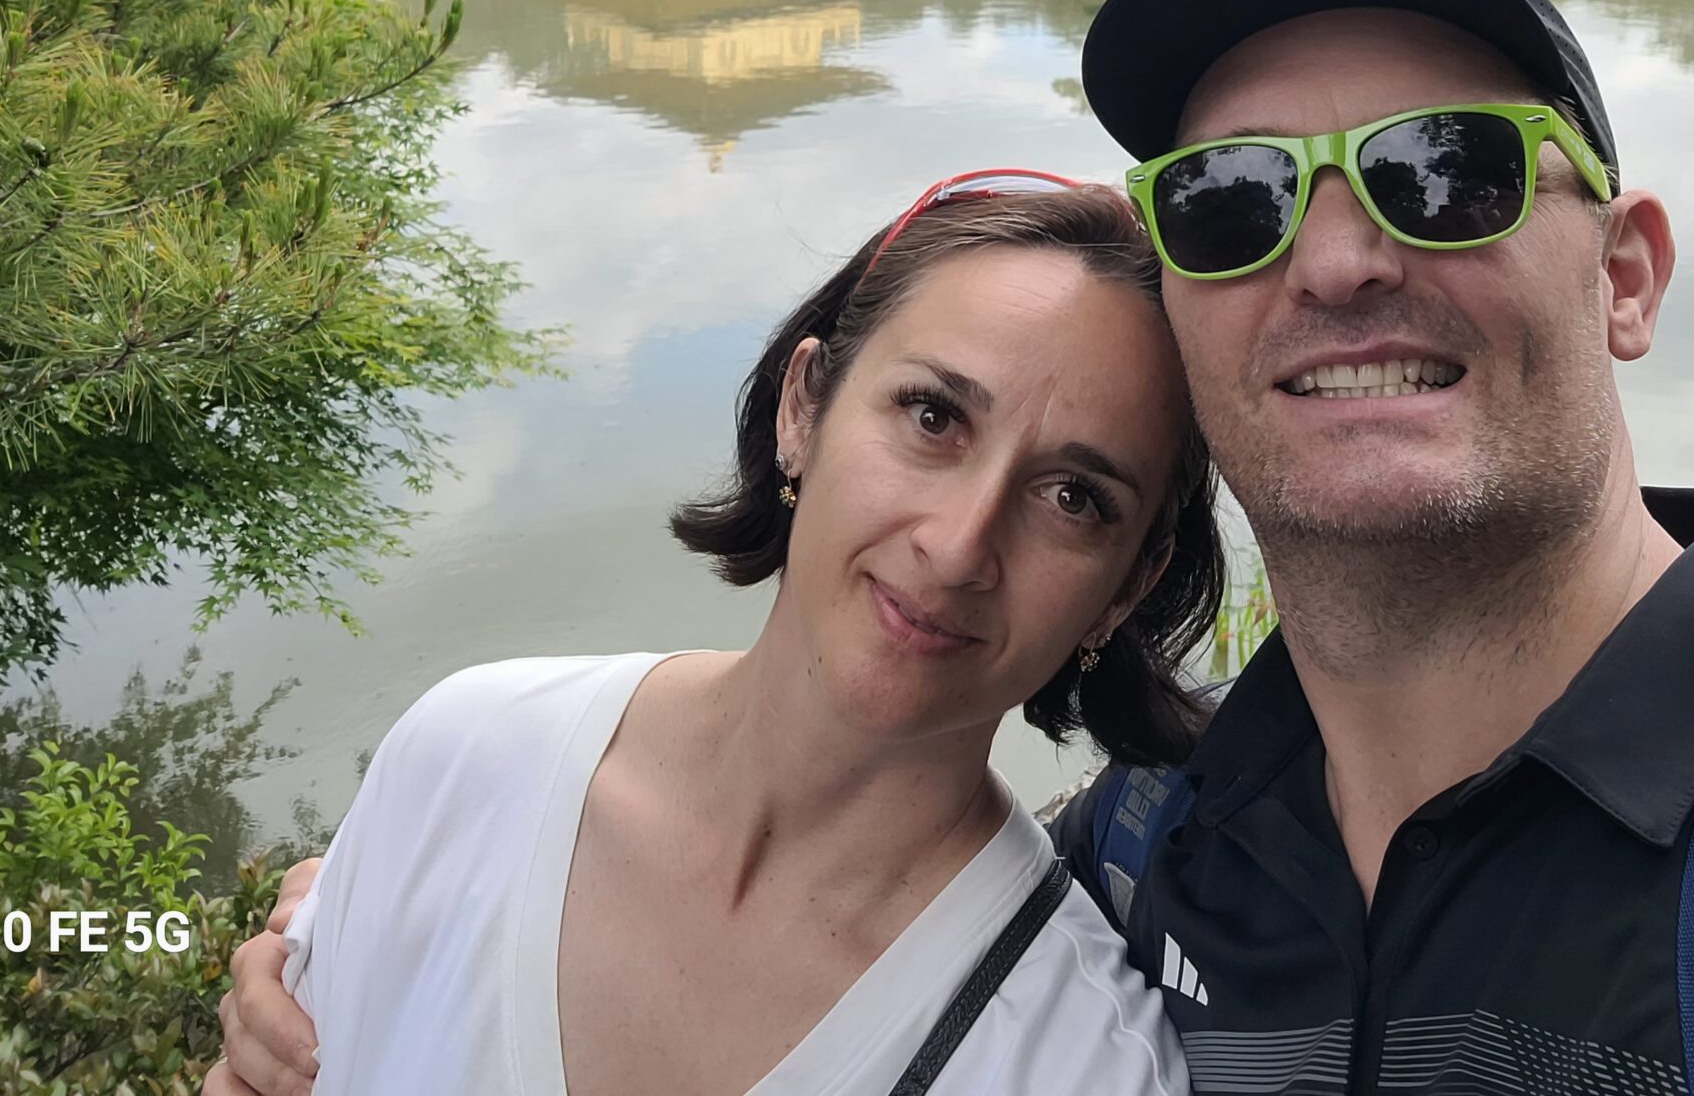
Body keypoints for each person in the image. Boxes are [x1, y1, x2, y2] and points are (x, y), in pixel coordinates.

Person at [217, 0, 1694, 1094]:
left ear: (1626, 273)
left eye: (1444, 171)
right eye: (1233, 204)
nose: (1332, 263)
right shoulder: (1137, 880)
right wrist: (368, 938)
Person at [227, 179, 1224, 1095]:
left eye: (1074, 497)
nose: (960, 547)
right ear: (805, 408)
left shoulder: (1078, 1062)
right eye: (931, 416)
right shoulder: (466, 763)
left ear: (1123, 588)